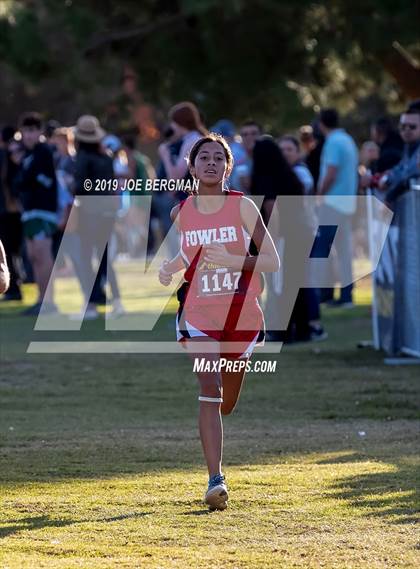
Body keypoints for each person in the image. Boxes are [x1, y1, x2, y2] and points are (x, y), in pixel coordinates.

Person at [158, 133, 279, 510]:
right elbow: (190, 255)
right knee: (208, 385)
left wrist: (232, 262)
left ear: (228, 167)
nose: (211, 163)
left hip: (240, 312)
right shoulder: (181, 212)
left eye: (218, 158)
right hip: (199, 312)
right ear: (191, 167)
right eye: (203, 157)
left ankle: (222, 409)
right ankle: (215, 479)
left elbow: (271, 260)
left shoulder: (242, 207)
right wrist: (171, 267)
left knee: (226, 400)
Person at [73, 115, 124, 320]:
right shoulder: (106, 157)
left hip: (89, 213)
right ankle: (117, 302)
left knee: (86, 258)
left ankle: (91, 305)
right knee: (104, 259)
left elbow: (80, 188)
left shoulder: (83, 158)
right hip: (107, 213)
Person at [279, 135, 326, 341]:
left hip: (304, 232)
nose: (285, 153)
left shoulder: (300, 173)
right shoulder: (283, 173)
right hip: (293, 233)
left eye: (289, 149)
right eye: (282, 149)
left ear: (298, 152)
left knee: (303, 280)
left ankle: (312, 324)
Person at [15, 112, 58, 315]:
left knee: (42, 253)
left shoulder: (43, 152)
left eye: (33, 130)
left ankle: (48, 302)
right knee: (33, 256)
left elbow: (30, 180)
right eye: (26, 131)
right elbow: (18, 183)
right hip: (30, 211)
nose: (29, 135)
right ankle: (41, 299)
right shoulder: (26, 155)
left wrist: (25, 178)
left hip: (43, 211)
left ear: (40, 132)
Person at [317, 108, 359, 307]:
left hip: (332, 203)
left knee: (323, 250)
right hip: (347, 203)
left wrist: (319, 194)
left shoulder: (333, 141)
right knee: (343, 251)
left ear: (321, 123)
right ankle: (346, 295)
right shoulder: (347, 139)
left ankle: (326, 294)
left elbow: (331, 172)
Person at [0, 126, 23, 301]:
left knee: (9, 250)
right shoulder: (17, 154)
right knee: (13, 251)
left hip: (7, 210)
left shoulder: (5, 155)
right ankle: (15, 284)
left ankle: (14, 287)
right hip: (14, 210)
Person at [379, 106, 420, 204]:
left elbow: (412, 173)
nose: (407, 130)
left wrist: (391, 195)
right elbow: (401, 169)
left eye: (412, 126)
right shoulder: (408, 148)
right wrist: (387, 178)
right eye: (403, 126)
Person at [230, 121, 262, 193]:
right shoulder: (235, 163)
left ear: (261, 136)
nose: (249, 137)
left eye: (254, 133)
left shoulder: (270, 162)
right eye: (245, 134)